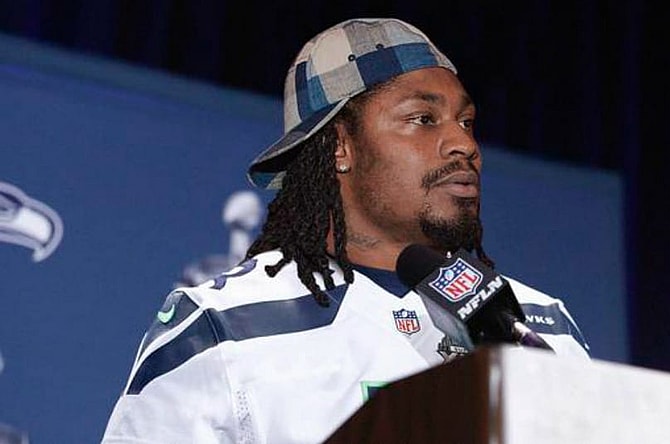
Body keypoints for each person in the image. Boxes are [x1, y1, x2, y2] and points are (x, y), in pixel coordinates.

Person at [102, 17, 591, 443]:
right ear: (340, 146)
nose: (462, 143)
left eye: (465, 121)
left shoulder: (539, 323)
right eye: (423, 119)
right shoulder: (225, 328)